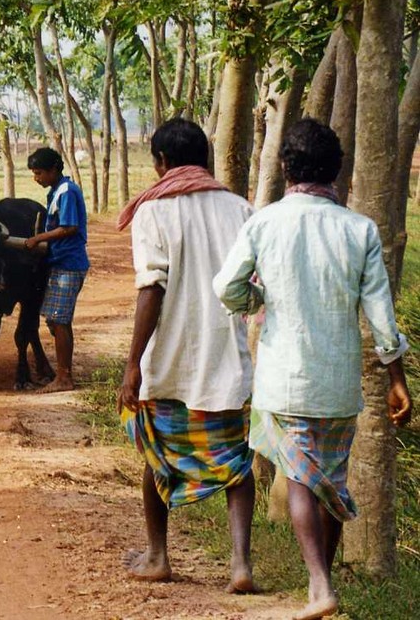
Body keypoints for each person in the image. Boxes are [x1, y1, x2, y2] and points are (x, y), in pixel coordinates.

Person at [213, 118, 412, 620]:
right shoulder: (359, 228)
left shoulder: (263, 222)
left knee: (300, 481)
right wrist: (396, 379)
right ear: (337, 171)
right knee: (332, 485)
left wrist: (257, 298)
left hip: (283, 378)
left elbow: (226, 288)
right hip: (338, 382)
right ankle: (318, 585)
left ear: (285, 168)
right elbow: (381, 316)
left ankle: (320, 585)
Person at [116, 117, 256, 592]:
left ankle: (158, 556)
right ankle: (240, 565)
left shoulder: (153, 212)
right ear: (206, 158)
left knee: (157, 455)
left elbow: (150, 289)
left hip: (170, 362)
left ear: (160, 162)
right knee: (237, 464)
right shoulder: (241, 208)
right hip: (227, 362)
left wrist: (132, 364)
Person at [24, 146, 89, 393]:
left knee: (59, 321)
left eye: (39, 173)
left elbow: (69, 227)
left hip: (69, 263)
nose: (36, 178)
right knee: (56, 319)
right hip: (60, 262)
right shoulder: (56, 191)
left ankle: (64, 378)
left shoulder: (66, 192)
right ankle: (63, 373)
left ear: (54, 170)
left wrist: (39, 238)